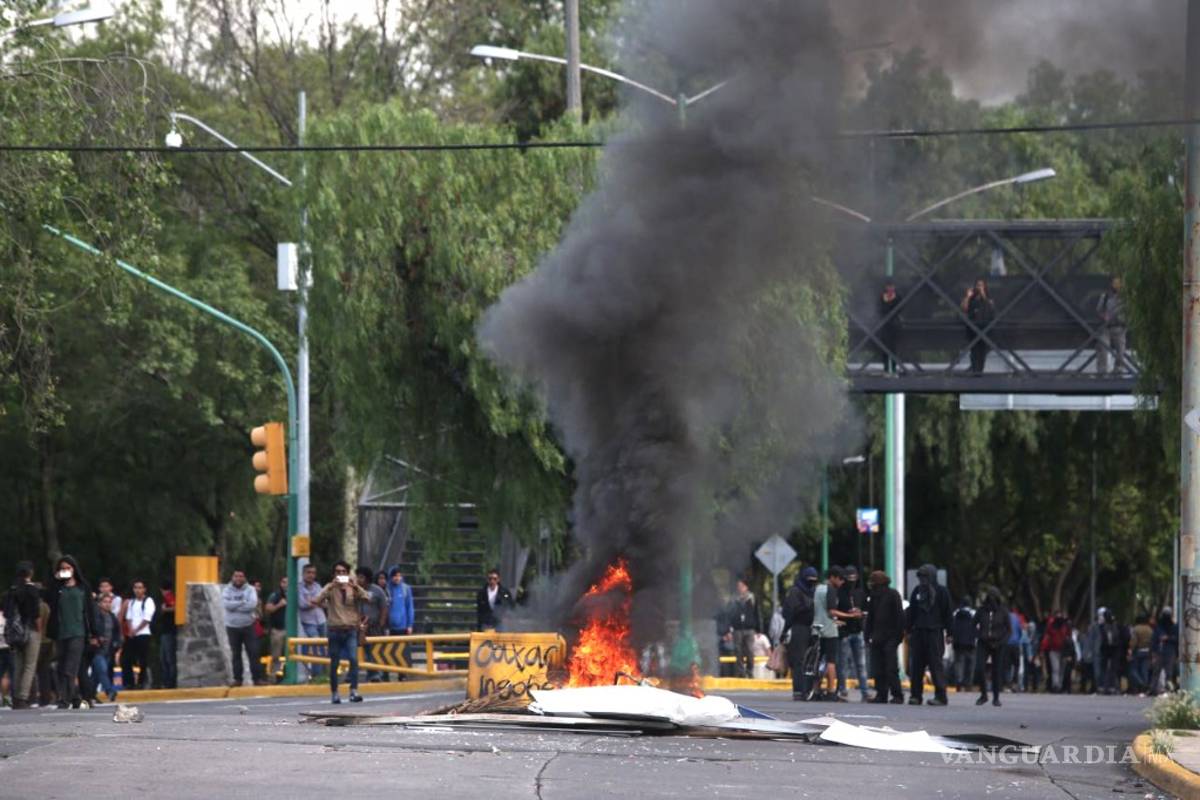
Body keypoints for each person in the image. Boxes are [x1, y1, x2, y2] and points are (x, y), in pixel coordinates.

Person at [46, 555, 98, 709]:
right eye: (63, 569)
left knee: (70, 668)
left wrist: (95, 634)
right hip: (61, 633)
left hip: (78, 632)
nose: (66, 571)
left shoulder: (83, 587)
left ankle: (64, 699)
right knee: (60, 667)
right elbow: (48, 599)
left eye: (68, 568)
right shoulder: (57, 588)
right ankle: (75, 697)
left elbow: (90, 611)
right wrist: (55, 580)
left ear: (74, 569)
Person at [315, 560, 369, 704]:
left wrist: (355, 585)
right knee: (334, 663)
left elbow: (367, 598)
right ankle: (335, 693)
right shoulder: (330, 588)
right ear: (334, 574)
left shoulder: (353, 588)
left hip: (351, 630)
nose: (341, 574)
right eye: (338, 572)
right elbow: (316, 600)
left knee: (353, 659)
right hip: (334, 630)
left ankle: (353, 691)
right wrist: (331, 586)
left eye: (343, 572)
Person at [906, 563, 951, 706]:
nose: (923, 580)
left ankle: (941, 696)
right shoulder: (917, 592)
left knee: (935, 665)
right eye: (921, 577)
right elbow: (911, 612)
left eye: (926, 576)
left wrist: (950, 633)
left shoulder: (942, 592)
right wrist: (907, 630)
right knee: (916, 666)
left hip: (934, 633)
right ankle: (915, 696)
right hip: (918, 633)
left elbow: (948, 613)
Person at [813, 567, 856, 701]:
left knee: (818, 661)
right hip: (829, 631)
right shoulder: (831, 590)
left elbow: (820, 611)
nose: (842, 582)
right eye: (840, 579)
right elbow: (832, 611)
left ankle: (816, 689)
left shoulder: (818, 588)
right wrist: (850, 616)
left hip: (817, 628)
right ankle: (831, 690)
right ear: (832, 577)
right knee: (831, 662)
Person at [864, 570, 904, 704]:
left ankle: (897, 695)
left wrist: (897, 637)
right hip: (877, 638)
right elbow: (871, 618)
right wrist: (867, 635)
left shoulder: (893, 595)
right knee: (878, 668)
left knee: (891, 668)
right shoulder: (874, 597)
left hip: (890, 638)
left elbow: (899, 617)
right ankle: (881, 694)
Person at [222, 569, 266, 687]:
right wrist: (242, 602)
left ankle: (257, 679)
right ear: (232, 577)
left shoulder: (250, 589)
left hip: (248, 626)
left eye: (241, 576)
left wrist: (235, 605)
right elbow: (227, 605)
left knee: (253, 653)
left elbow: (251, 605)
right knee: (236, 654)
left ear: (244, 578)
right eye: (236, 576)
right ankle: (237, 680)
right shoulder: (227, 589)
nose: (238, 578)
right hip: (232, 626)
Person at [7, 562, 43, 710]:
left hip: (15, 632)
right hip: (30, 630)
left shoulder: (12, 590)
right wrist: (40, 630)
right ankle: (23, 697)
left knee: (18, 665)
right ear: (30, 573)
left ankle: (15, 697)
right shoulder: (32, 590)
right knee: (29, 665)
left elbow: (7, 612)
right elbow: (36, 614)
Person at [782, 567, 818, 701]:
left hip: (813, 628)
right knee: (798, 661)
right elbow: (790, 613)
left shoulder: (814, 592)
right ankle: (798, 690)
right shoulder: (795, 592)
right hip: (799, 628)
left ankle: (810, 690)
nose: (812, 583)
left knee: (811, 661)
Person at [973, 587, 1011, 707]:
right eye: (990, 597)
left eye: (994, 597)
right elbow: (973, 624)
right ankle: (984, 694)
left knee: (996, 670)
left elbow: (1008, 630)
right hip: (983, 643)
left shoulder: (1003, 611)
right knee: (979, 668)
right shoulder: (981, 610)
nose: (992, 600)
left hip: (998, 644)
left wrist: (1002, 641)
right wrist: (979, 635)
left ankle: (996, 697)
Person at [836, 566, 869, 701]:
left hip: (858, 631)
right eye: (849, 579)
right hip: (844, 632)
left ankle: (865, 692)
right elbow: (833, 611)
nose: (851, 582)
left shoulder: (860, 593)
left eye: (854, 579)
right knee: (843, 664)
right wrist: (847, 615)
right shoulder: (839, 593)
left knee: (861, 664)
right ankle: (843, 690)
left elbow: (867, 611)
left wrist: (860, 613)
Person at [120, 578, 155, 690]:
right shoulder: (132, 602)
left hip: (143, 634)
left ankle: (141, 682)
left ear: (144, 589)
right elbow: (128, 617)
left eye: (140, 588)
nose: (138, 590)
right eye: (136, 588)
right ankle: (128, 682)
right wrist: (130, 630)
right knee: (126, 658)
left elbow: (147, 619)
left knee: (142, 659)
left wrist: (136, 630)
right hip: (132, 634)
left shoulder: (148, 601)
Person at [356, 566, 389, 682]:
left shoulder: (377, 590)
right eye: (358, 577)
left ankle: (374, 674)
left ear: (367, 578)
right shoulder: (355, 590)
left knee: (373, 651)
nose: (359, 579)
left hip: (374, 626)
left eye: (361, 577)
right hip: (358, 626)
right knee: (358, 651)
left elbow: (384, 608)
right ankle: (352, 675)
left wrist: (381, 623)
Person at [90, 593, 122, 703]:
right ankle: (110, 691)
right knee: (102, 670)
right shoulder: (95, 616)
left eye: (109, 602)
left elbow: (117, 632)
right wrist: (97, 638)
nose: (107, 604)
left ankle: (90, 694)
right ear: (99, 603)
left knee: (97, 674)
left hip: (108, 650)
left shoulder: (112, 617)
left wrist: (117, 643)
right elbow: (91, 630)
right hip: (97, 649)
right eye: (105, 602)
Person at [726, 579, 761, 679]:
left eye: (742, 586)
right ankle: (741, 672)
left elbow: (757, 614)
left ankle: (750, 671)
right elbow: (729, 615)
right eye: (738, 586)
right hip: (737, 628)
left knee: (749, 650)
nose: (740, 588)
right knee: (738, 650)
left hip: (749, 628)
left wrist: (758, 629)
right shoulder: (733, 599)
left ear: (746, 587)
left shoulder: (752, 598)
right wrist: (728, 629)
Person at [299, 563, 327, 680]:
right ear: (303, 574)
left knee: (324, 647)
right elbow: (303, 604)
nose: (311, 575)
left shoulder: (318, 586)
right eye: (308, 573)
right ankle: (317, 675)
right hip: (308, 622)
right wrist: (316, 602)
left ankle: (324, 674)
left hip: (321, 620)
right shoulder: (299, 588)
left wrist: (314, 601)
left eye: (313, 573)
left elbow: (325, 603)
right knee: (315, 647)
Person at [961, 278, 995, 374]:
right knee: (974, 350)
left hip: (984, 327)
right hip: (973, 328)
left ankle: (979, 370)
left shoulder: (988, 298)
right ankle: (975, 370)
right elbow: (964, 308)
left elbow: (990, 307)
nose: (979, 287)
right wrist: (967, 296)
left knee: (982, 351)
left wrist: (983, 293)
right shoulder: (971, 298)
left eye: (981, 285)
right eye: (977, 285)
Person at [1096, 276, 1126, 374]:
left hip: (1120, 328)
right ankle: (1102, 369)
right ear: (1112, 285)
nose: (1117, 286)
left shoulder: (1126, 298)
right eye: (1115, 283)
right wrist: (1104, 316)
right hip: (1107, 328)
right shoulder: (1105, 297)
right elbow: (1099, 310)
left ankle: (1119, 368)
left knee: (1121, 351)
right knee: (1103, 347)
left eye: (1119, 283)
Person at [264, 576, 289, 682]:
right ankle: (273, 678)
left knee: (293, 656)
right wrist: (279, 604)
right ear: (280, 583)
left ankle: (289, 676)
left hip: (292, 630)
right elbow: (268, 608)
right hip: (278, 630)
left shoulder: (295, 594)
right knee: (276, 655)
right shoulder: (275, 595)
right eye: (283, 582)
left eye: (288, 582)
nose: (285, 584)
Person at [950, 595, 977, 693]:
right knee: (970, 664)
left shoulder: (956, 613)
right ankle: (968, 684)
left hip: (958, 642)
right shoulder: (973, 613)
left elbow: (952, 625)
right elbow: (977, 626)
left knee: (959, 663)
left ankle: (959, 683)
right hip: (970, 642)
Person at [1040, 611, 1070, 693]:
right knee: (1055, 668)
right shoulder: (1051, 626)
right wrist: (1043, 649)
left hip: (1064, 651)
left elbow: (1069, 639)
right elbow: (1047, 637)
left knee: (1061, 669)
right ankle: (1056, 685)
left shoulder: (1065, 626)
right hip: (1053, 650)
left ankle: (1059, 685)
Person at [1153, 607, 1179, 695]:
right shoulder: (1160, 626)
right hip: (1163, 651)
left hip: (1168, 651)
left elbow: (1177, 639)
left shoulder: (1174, 627)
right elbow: (1155, 639)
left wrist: (1167, 638)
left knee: (1168, 672)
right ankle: (1154, 689)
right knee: (1159, 671)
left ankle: (1169, 689)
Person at [158, 579, 177, 689]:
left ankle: (170, 682)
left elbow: (175, 607)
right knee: (165, 658)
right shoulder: (169, 596)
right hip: (166, 631)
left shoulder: (169, 596)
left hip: (169, 631)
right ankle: (167, 681)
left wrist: (165, 609)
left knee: (168, 659)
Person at [1128, 613, 1154, 696]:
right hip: (1148, 651)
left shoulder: (1136, 629)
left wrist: (1130, 649)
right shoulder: (1150, 629)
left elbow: (1134, 641)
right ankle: (1145, 687)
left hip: (1138, 651)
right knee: (1144, 670)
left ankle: (1141, 683)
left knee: (1133, 669)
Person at [878, 281, 902, 366]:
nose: (890, 288)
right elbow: (880, 309)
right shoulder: (882, 297)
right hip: (884, 325)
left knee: (894, 349)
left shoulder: (898, 297)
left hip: (894, 325)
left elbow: (900, 309)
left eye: (892, 286)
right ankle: (886, 369)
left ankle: (894, 369)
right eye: (888, 286)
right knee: (885, 349)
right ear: (886, 287)